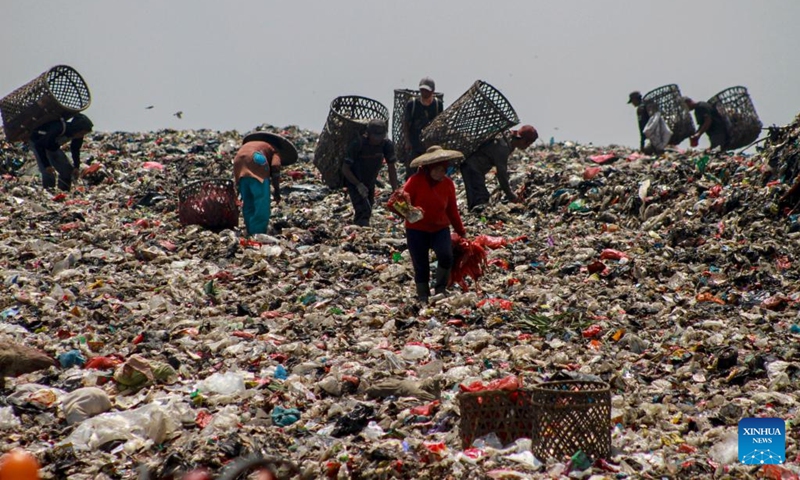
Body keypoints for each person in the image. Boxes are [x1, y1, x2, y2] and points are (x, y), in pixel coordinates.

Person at [403, 146, 467, 303]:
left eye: (443, 170)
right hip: (417, 230)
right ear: (429, 168)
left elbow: (452, 210)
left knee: (446, 256)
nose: (441, 174)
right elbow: (401, 202)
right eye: (437, 170)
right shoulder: (415, 181)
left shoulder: (448, 184)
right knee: (421, 264)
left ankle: (440, 288)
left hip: (440, 228)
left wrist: (461, 231)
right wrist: (410, 211)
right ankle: (423, 295)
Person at [460, 124, 538, 211]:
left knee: (477, 197)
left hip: (476, 169)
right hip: (472, 167)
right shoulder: (503, 146)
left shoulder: (508, 142)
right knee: (480, 199)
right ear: (524, 141)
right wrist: (511, 195)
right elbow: (501, 173)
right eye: (529, 143)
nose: (528, 146)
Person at [233, 131, 297, 236]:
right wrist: (276, 190)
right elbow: (275, 165)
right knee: (261, 201)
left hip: (238, 162)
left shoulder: (253, 144)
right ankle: (258, 232)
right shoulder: (274, 149)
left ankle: (250, 230)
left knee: (248, 201)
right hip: (256, 163)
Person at [341, 119, 399, 227]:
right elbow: (345, 168)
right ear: (368, 134)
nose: (377, 140)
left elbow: (391, 167)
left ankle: (360, 230)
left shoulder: (386, 145)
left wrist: (395, 189)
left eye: (380, 136)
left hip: (370, 181)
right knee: (362, 211)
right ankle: (361, 233)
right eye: (375, 136)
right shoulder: (358, 144)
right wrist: (358, 185)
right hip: (354, 180)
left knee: (368, 209)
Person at [29, 113, 93, 191]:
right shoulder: (59, 128)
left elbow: (75, 149)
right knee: (48, 173)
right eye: (81, 133)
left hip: (52, 146)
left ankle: (64, 191)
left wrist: (76, 166)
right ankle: (49, 193)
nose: (81, 136)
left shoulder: (77, 135)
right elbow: (39, 146)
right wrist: (47, 165)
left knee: (67, 170)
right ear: (77, 129)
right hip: (38, 142)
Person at [402, 76, 443, 179]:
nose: (424, 92)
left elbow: (440, 124)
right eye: (422, 90)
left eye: (426, 90)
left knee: (430, 172)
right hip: (414, 144)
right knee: (412, 172)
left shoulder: (438, 105)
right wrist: (407, 142)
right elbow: (406, 124)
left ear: (432, 91)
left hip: (430, 145)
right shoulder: (413, 104)